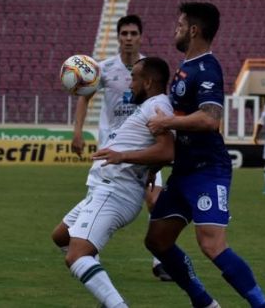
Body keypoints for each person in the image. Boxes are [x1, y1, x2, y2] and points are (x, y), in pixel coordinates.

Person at [145, 2, 265, 308]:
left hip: (207, 171)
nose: (175, 29)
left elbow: (210, 118)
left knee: (211, 244)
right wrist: (156, 159)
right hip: (184, 171)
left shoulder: (207, 69)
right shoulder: (185, 68)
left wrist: (166, 122)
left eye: (179, 24)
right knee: (157, 241)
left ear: (193, 30)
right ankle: (204, 302)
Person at [51, 57, 174, 308]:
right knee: (61, 237)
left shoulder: (157, 107)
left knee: (76, 256)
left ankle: (115, 303)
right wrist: (152, 166)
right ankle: (102, 284)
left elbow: (167, 151)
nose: (130, 85)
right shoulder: (150, 105)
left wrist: (123, 156)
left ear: (148, 82)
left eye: (135, 79)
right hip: (103, 187)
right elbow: (159, 151)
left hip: (115, 190)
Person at [71, 14, 172, 281]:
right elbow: (84, 97)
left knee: (155, 199)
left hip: (145, 145)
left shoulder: (149, 70)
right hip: (112, 150)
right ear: (118, 37)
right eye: (124, 34)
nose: (128, 38)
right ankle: (89, 253)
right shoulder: (103, 69)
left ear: (140, 37)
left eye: (133, 34)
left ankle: (160, 260)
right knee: (96, 200)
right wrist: (78, 130)